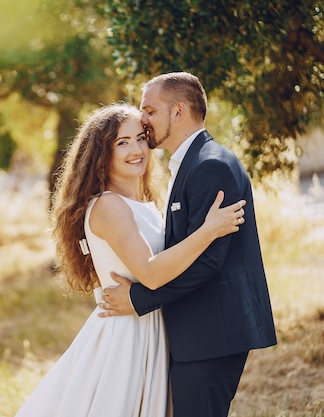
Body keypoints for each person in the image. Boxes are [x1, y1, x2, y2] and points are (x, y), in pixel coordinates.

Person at [14, 102, 246, 417]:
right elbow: (150, 273)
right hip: (126, 336)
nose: (136, 149)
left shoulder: (144, 203)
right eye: (122, 143)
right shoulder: (109, 206)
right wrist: (209, 231)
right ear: (101, 154)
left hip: (153, 325)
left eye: (140, 138)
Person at [100, 72, 277, 417]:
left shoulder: (210, 166)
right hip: (200, 331)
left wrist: (139, 298)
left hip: (212, 332)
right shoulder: (191, 162)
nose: (143, 119)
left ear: (178, 111)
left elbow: (207, 262)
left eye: (149, 110)